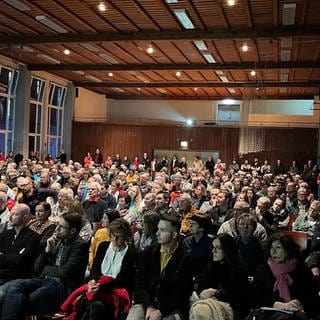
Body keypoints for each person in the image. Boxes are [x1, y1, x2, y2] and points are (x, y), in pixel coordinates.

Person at [1, 211, 90, 319]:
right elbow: (36, 268)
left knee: (27, 299)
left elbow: (65, 271)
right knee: (15, 285)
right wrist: (47, 251)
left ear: (73, 231)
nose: (56, 230)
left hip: (61, 286)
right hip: (44, 280)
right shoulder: (57, 240)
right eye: (57, 225)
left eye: (61, 227)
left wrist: (45, 269)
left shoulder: (80, 245)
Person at [63, 218, 136, 320]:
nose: (114, 239)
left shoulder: (131, 253)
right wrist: (93, 281)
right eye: (112, 235)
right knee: (92, 304)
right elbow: (95, 269)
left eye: (118, 237)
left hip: (116, 290)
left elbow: (124, 280)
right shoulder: (103, 246)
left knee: (94, 306)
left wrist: (101, 286)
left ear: (125, 236)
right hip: (98, 286)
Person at [126, 213, 194, 320]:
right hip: (147, 303)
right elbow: (139, 282)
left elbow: (182, 292)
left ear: (174, 235)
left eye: (162, 230)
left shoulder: (185, 258)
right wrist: (149, 306)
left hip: (171, 308)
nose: (157, 233)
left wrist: (161, 310)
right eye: (158, 229)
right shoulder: (148, 252)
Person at [253, 233, 320, 318]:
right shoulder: (262, 271)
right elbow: (255, 297)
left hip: (297, 314)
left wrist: (301, 305)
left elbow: (314, 298)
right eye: (271, 248)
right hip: (269, 314)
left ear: (288, 250)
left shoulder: (302, 270)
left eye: (278, 247)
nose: (273, 251)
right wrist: (276, 304)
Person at [194, 233, 250, 319]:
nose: (213, 251)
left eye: (218, 248)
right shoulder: (209, 267)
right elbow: (202, 287)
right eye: (212, 247)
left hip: (230, 309)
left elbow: (237, 296)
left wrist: (215, 292)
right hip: (208, 304)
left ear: (227, 250)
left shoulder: (238, 270)